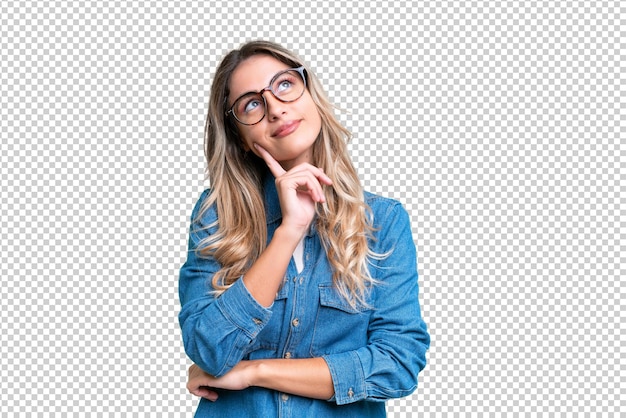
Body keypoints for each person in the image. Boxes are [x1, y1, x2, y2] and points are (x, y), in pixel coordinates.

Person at [178, 40, 430, 417]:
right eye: (252, 104)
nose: (275, 109)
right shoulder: (216, 217)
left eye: (283, 85)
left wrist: (255, 371)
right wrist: (289, 230)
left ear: (310, 92)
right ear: (241, 140)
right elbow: (209, 350)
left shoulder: (383, 220)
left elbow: (398, 365)